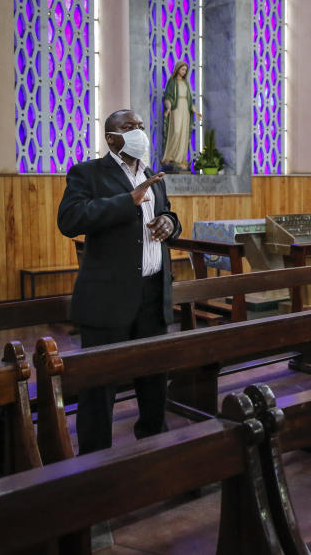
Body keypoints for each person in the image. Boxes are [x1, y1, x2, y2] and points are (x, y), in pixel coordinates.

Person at [57, 109, 181, 455]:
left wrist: (170, 223)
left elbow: (167, 213)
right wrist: (127, 200)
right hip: (108, 299)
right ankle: (94, 462)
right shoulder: (88, 173)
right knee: (100, 385)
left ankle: (155, 447)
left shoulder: (154, 175)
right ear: (112, 138)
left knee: (154, 380)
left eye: (141, 125)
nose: (139, 131)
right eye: (130, 127)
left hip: (153, 294)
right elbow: (69, 220)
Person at [160, 61, 201, 171]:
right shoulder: (172, 82)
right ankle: (170, 157)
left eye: (185, 70)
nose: (184, 72)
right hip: (176, 109)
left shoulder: (186, 83)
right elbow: (167, 97)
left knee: (184, 134)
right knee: (176, 131)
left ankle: (181, 159)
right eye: (182, 69)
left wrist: (196, 111)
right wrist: (168, 108)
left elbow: (189, 101)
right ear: (177, 69)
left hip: (185, 110)